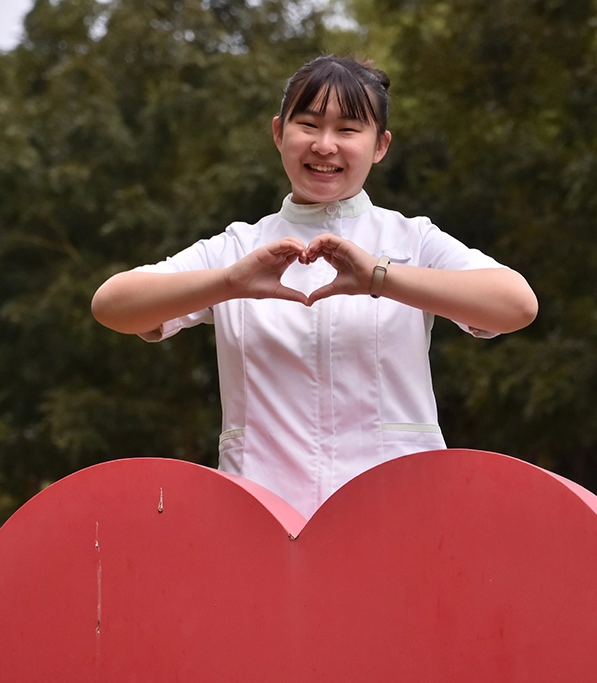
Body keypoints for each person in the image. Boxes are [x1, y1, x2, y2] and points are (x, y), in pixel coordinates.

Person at [92, 56, 537, 519]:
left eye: (348, 130)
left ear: (380, 145)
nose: (325, 146)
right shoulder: (237, 248)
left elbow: (516, 305)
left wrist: (379, 278)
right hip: (261, 516)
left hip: (401, 514)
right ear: (278, 133)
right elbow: (112, 305)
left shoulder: (413, 240)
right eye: (307, 125)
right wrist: (230, 283)